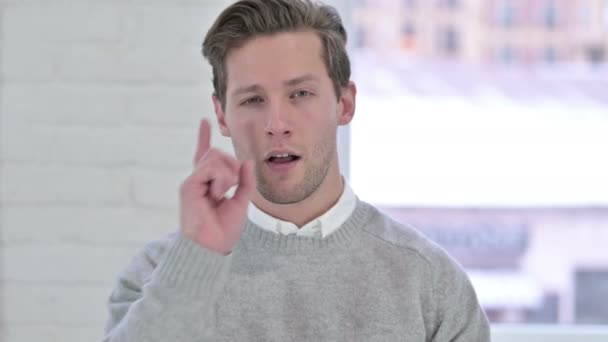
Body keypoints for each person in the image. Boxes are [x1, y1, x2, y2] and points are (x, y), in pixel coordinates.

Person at [103, 0, 491, 341]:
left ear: (344, 103)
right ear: (222, 115)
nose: (276, 123)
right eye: (253, 99)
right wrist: (196, 262)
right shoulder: (158, 275)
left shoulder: (430, 283)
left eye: (300, 94)